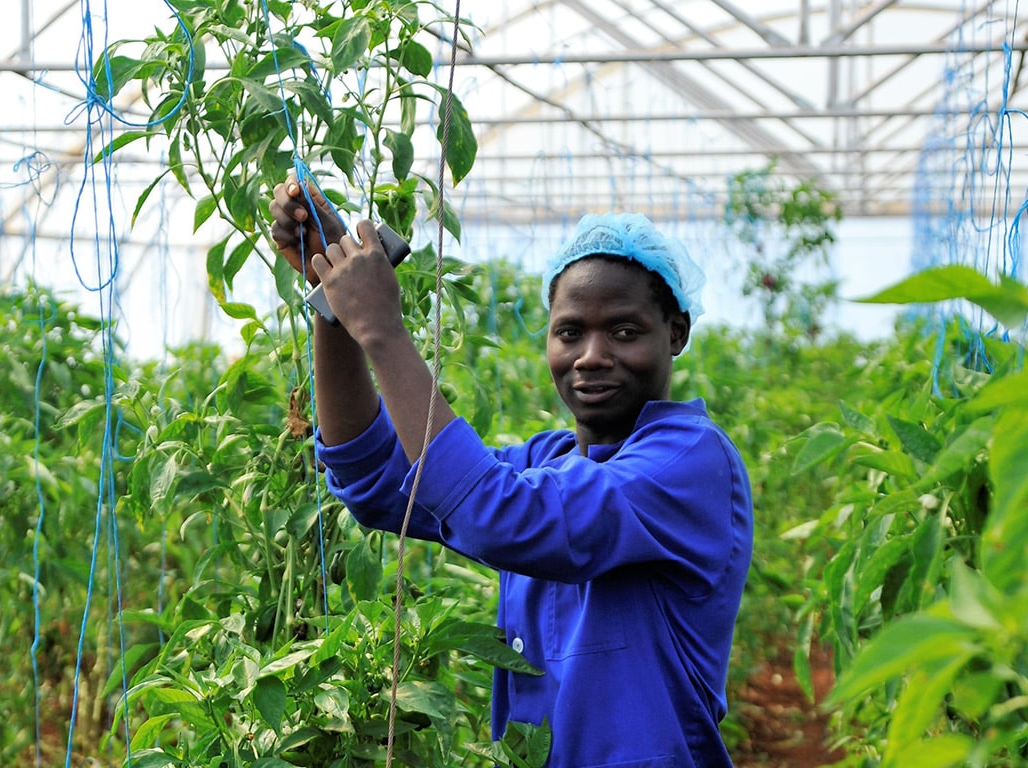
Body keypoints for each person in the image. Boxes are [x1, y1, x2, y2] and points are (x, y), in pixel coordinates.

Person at [269, 175, 753, 768]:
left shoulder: (690, 460)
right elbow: (374, 481)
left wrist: (384, 330)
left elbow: (507, 516)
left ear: (675, 333)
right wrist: (333, 302)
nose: (592, 355)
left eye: (624, 331)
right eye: (570, 332)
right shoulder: (545, 463)